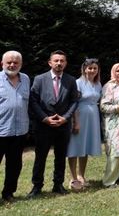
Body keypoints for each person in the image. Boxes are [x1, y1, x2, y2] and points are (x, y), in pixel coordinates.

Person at [28, 50, 80, 198]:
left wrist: (65, 118)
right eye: (56, 60)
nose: (59, 63)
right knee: (40, 157)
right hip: (43, 125)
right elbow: (33, 101)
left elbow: (74, 101)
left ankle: (58, 185)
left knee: (60, 156)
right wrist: (44, 118)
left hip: (63, 126)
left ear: (65, 63)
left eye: (62, 61)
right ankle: (37, 186)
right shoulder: (39, 79)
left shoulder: (71, 80)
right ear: (50, 63)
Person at [67, 58, 102, 189]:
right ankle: (73, 177)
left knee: (86, 147)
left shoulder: (98, 84)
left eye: (95, 68)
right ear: (84, 69)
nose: (92, 70)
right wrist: (75, 122)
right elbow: (74, 103)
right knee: (75, 147)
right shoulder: (78, 83)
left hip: (93, 118)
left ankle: (82, 175)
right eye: (90, 68)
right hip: (80, 116)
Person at [0, 50, 30, 202]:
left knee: (14, 165)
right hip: (1, 130)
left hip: (20, 131)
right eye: (9, 62)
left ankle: (8, 193)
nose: (12, 65)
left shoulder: (25, 79)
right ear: (2, 64)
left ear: (21, 64)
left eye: (15, 62)